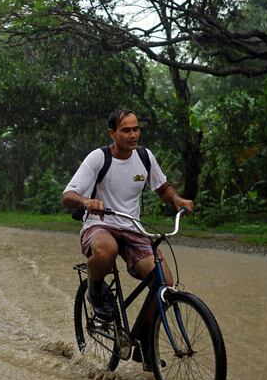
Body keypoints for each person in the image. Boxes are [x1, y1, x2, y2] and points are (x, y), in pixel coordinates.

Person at [61, 108, 194, 321]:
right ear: (112, 133)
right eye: (126, 131)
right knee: (106, 250)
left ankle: (145, 341)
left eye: (136, 129)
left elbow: (162, 187)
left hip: (133, 227)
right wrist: (87, 202)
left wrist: (177, 199)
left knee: (165, 284)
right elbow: (68, 196)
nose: (133, 135)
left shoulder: (144, 156)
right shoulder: (99, 158)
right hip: (100, 225)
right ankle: (95, 292)